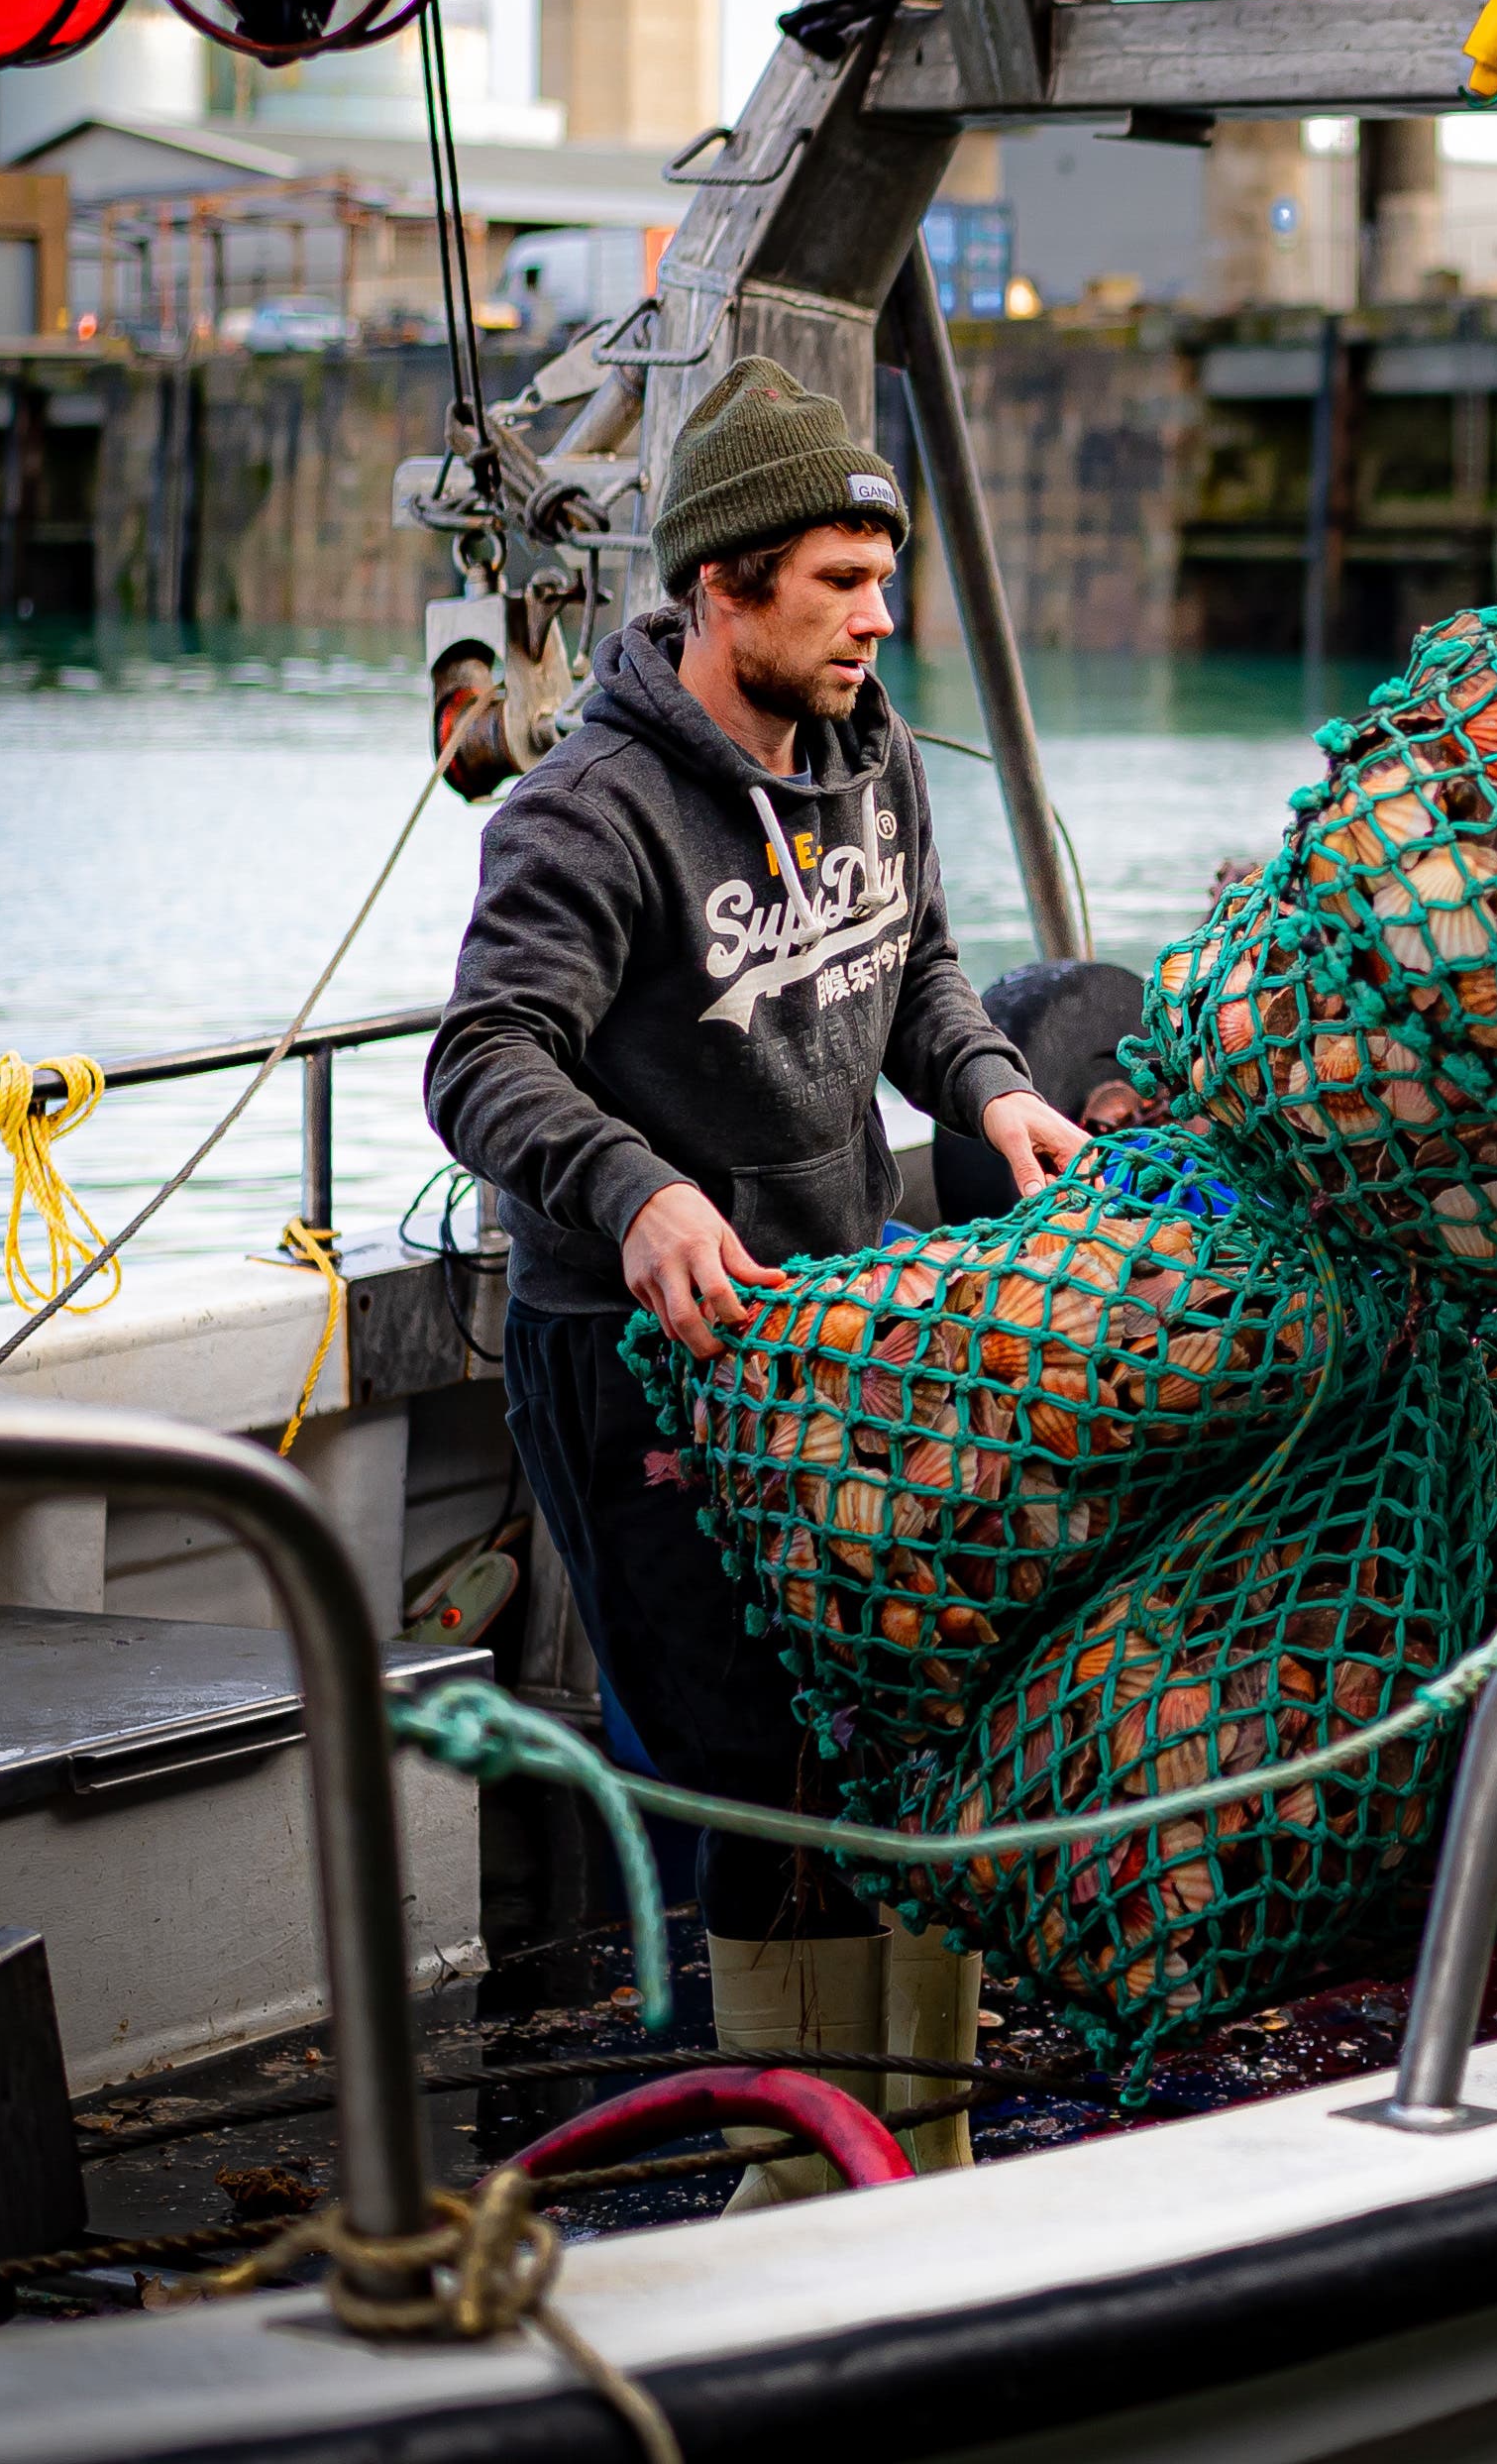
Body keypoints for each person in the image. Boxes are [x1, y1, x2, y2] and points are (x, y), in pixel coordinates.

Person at [428, 356, 1087, 2181]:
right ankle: (806, 2184)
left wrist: (992, 1089)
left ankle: (923, 2164)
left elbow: (923, 972)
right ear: (722, 588)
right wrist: (634, 1193)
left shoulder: (872, 752)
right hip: (642, 1354)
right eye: (842, 582)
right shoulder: (585, 811)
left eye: (887, 576)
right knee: (762, 1775)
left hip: (847, 1328)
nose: (885, 615)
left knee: (908, 1723)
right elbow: (480, 1061)